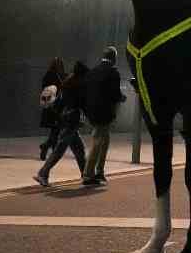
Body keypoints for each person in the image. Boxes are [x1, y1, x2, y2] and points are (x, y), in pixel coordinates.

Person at [33, 62, 90, 186]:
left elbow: (59, 103)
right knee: (60, 150)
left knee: (79, 149)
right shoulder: (77, 85)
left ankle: (86, 175)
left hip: (66, 120)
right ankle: (43, 173)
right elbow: (82, 104)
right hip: (72, 121)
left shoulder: (67, 83)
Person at [82, 47, 124, 186]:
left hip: (91, 111)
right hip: (105, 113)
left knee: (104, 141)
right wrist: (121, 98)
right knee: (98, 141)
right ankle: (88, 175)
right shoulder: (113, 72)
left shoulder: (92, 72)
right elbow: (115, 94)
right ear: (114, 58)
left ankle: (100, 171)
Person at [39, 57, 67, 161]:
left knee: (55, 130)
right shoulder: (60, 76)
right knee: (57, 129)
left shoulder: (48, 75)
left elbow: (44, 89)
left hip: (49, 106)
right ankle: (48, 148)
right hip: (57, 107)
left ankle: (47, 147)